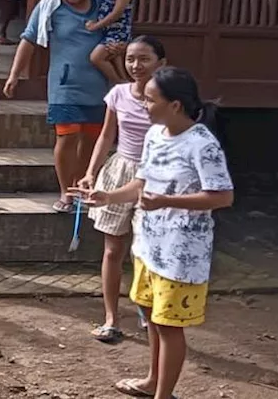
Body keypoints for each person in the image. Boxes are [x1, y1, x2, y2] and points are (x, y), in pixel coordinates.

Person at [74, 67, 233, 399]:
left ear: (175, 105)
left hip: (181, 253)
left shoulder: (202, 144)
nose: (144, 105)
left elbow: (222, 196)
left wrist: (167, 201)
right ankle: (152, 381)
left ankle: (164, 394)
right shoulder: (154, 135)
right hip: (148, 245)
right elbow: (141, 183)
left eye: (150, 99)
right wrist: (108, 196)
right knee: (152, 318)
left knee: (170, 326)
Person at [77, 36, 166, 344]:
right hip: (120, 171)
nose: (135, 66)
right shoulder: (117, 94)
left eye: (144, 59)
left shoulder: (170, 99)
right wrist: (90, 172)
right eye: (130, 59)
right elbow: (106, 136)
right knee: (113, 250)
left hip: (155, 179)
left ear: (161, 64)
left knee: (145, 253)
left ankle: (145, 308)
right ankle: (111, 317)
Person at [4, 0, 109, 212]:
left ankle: (82, 186)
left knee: (91, 138)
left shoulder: (104, 6)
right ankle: (66, 192)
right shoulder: (51, 5)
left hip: (99, 84)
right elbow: (28, 40)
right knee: (67, 136)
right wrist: (14, 75)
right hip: (64, 84)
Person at [87, 0, 136, 84]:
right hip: (107, 31)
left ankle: (117, 82)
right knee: (115, 58)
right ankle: (124, 81)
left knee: (96, 57)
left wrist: (96, 26)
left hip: (117, 33)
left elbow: (116, 14)